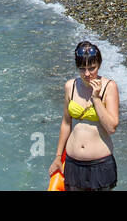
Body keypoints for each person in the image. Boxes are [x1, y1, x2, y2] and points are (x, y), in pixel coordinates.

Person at [49, 41, 120, 191]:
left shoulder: (109, 87)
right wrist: (57, 157)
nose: (87, 74)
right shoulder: (71, 86)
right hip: (72, 164)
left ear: (99, 64)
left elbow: (111, 127)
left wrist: (96, 98)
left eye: (91, 68)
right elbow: (66, 124)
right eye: (82, 69)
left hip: (99, 165)